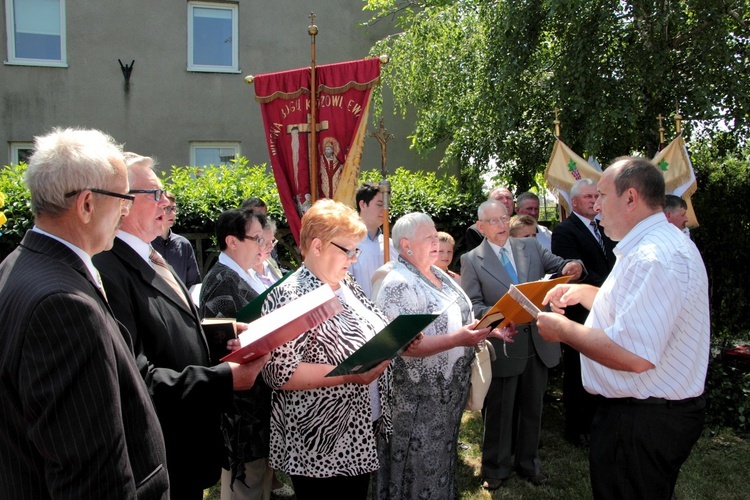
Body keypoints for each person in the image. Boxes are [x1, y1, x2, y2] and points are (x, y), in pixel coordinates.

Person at [0, 128, 169, 499]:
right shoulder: (64, 305)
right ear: (87, 204)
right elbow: (89, 474)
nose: (126, 210)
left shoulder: (18, 263)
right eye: (123, 198)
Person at [93, 153, 268, 500]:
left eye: (165, 195)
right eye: (155, 195)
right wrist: (227, 377)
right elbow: (137, 376)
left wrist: (226, 335)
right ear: (123, 203)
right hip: (161, 451)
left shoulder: (152, 254)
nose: (166, 203)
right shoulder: (109, 268)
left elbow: (174, 325)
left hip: (186, 445)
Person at [537, 157, 710, 500]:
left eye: (601, 195)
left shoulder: (653, 256)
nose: (596, 206)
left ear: (630, 198)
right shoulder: (656, 246)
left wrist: (562, 330)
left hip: (642, 420)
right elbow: (639, 307)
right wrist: (584, 293)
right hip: (646, 415)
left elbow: (633, 354)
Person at [261, 199, 397, 500]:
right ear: (318, 246)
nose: (354, 259)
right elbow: (277, 373)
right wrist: (349, 375)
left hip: (360, 427)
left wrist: (396, 338)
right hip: (321, 439)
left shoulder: (346, 283)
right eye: (347, 250)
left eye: (356, 250)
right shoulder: (291, 295)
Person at [460, 199, 584, 490]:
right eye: (493, 221)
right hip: (505, 341)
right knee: (500, 411)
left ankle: (529, 464)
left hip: (539, 342)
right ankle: (496, 469)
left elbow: (559, 266)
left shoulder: (530, 246)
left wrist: (573, 265)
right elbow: (474, 306)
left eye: (504, 218)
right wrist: (503, 315)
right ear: (481, 227)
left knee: (532, 407)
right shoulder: (471, 260)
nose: (502, 225)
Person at [372, 213, 494, 500]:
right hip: (415, 401)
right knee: (415, 466)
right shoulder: (398, 283)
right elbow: (405, 346)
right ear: (406, 245)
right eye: (428, 237)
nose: (437, 241)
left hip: (445, 398)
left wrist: (488, 330)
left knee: (441, 459)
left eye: (436, 234)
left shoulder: (438, 274)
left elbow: (460, 317)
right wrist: (459, 339)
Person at [199, 209, 275, 500]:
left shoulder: (245, 274)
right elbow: (220, 351)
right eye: (256, 238)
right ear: (231, 241)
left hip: (258, 404)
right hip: (241, 414)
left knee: (259, 485)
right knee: (245, 488)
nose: (262, 245)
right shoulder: (222, 280)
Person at [551, 177, 616, 448]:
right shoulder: (565, 230)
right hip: (580, 310)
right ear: (575, 202)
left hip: (609, 307)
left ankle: (600, 421)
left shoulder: (607, 226)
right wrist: (611, 288)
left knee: (604, 363)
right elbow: (573, 272)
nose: (594, 201)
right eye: (588, 197)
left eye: (596, 196)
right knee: (578, 369)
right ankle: (576, 427)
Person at [348, 182, 396, 298]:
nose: (385, 210)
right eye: (380, 204)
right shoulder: (349, 244)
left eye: (386, 206)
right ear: (363, 204)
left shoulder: (391, 245)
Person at [151, 190, 201, 289]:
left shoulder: (183, 244)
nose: (173, 213)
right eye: (167, 208)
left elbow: (193, 283)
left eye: (174, 209)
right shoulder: (147, 243)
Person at [465, 186, 515, 251]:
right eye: (499, 198)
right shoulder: (475, 231)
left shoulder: (522, 225)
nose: (505, 201)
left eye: (508, 198)